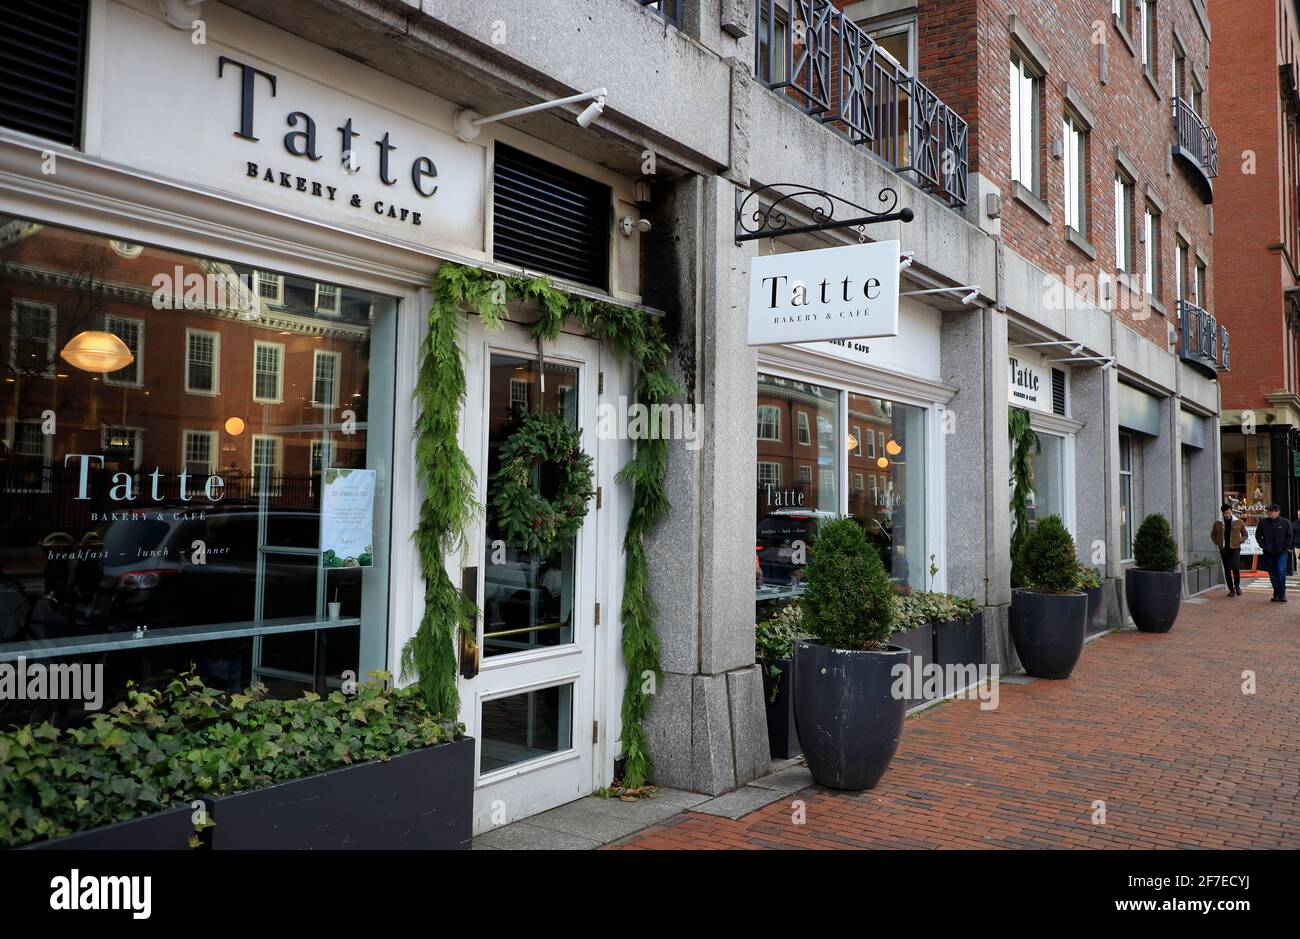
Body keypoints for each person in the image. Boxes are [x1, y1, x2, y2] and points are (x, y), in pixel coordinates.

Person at [1254, 503, 1294, 601]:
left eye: (1271, 511)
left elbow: (1289, 536)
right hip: (1268, 553)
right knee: (1272, 574)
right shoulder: (1263, 522)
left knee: (1280, 571)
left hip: (1281, 552)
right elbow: (1258, 536)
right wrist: (1263, 546)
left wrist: (1284, 547)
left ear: (1278, 511)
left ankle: (1282, 593)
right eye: (1268, 511)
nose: (1269, 513)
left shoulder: (1285, 522)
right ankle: (1276, 592)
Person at [1211, 504, 1248, 597]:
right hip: (1224, 549)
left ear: (1231, 511)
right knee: (1227, 569)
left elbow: (1245, 534)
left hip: (1235, 548)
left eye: (1229, 513)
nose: (1227, 515)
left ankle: (1237, 587)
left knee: (1235, 567)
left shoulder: (1238, 522)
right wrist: (1218, 543)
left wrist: (1239, 541)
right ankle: (1231, 589)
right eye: (1225, 513)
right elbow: (1213, 535)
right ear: (1222, 513)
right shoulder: (1217, 523)